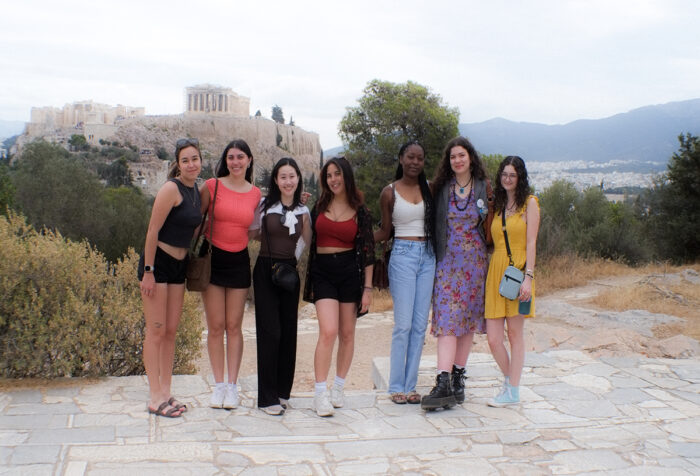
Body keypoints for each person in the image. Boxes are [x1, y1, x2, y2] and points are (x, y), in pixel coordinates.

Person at [421, 136, 492, 411]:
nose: (457, 160)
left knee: (467, 322)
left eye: (461, 155)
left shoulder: (484, 188)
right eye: (453, 157)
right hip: (448, 262)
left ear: (470, 157)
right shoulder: (441, 188)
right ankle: (443, 381)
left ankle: (458, 380)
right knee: (447, 320)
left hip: (475, 263)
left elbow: (492, 223)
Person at [303, 156, 374, 417]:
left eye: (337, 174)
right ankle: (320, 393)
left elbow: (368, 252)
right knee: (328, 331)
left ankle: (339, 387)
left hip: (349, 273)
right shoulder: (318, 205)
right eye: (329, 175)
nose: (333, 179)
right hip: (323, 271)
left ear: (346, 176)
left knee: (347, 333)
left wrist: (367, 289)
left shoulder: (362, 212)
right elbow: (307, 237)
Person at [139, 138, 203, 418]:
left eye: (195, 159)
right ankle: (155, 397)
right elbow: (152, 231)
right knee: (155, 330)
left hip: (180, 265)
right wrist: (148, 272)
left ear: (201, 161)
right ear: (178, 164)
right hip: (159, 265)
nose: (191, 164)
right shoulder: (171, 189)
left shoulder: (196, 191)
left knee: (170, 331)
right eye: (185, 160)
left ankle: (166, 391)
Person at [199, 139, 261, 409]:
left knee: (234, 326)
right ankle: (219, 386)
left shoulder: (256, 193)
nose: (235, 162)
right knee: (215, 326)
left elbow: (256, 229)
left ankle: (233, 387)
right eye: (231, 157)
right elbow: (196, 219)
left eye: (240, 157)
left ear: (248, 161)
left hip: (239, 260)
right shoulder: (211, 186)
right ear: (225, 160)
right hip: (213, 259)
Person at [374, 141, 436, 405]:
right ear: (400, 159)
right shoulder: (389, 193)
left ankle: (411, 387)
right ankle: (395, 386)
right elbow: (385, 232)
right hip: (402, 255)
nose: (415, 162)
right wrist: (358, 236)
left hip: (428, 256)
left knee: (420, 325)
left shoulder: (430, 188)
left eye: (420, 158)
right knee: (403, 325)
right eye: (410, 157)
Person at [251, 158, 311, 415]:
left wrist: (291, 263)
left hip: (289, 274)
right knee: (270, 332)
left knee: (288, 333)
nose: (288, 181)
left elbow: (306, 241)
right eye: (283, 176)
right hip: (265, 270)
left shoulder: (303, 211)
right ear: (276, 180)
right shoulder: (264, 206)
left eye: (292, 176)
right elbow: (252, 232)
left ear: (298, 179)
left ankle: (282, 393)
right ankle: (267, 398)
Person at [485, 156, 540, 407]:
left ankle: (513, 391)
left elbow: (531, 243)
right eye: (504, 174)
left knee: (515, 335)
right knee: (494, 339)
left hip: (518, 273)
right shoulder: (496, 205)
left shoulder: (530, 204)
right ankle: (510, 380)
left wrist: (528, 278)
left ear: (520, 178)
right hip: (496, 272)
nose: (507, 179)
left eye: (512, 175)